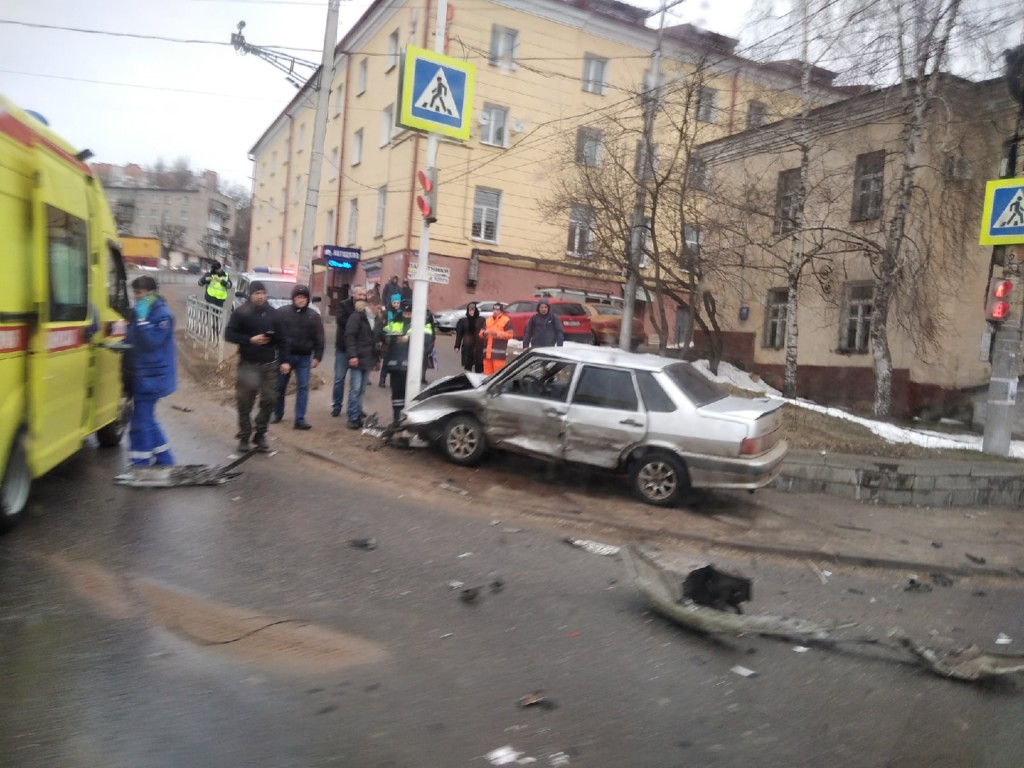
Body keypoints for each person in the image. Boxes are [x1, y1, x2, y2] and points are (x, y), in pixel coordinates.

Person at [225, 281, 289, 453]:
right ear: (251, 295)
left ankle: (260, 433)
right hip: (248, 365)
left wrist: (285, 361)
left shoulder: (273, 314)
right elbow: (229, 334)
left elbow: (283, 339)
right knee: (245, 402)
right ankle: (244, 436)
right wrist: (249, 340)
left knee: (270, 400)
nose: (260, 296)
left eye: (263, 293)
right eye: (257, 293)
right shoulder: (241, 313)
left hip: (269, 365)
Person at [125, 276, 176, 467]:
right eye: (134, 292)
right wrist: (122, 344)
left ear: (151, 293)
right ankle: (165, 458)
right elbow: (133, 338)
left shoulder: (163, 315)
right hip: (142, 373)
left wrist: (143, 320)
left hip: (153, 376)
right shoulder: (142, 311)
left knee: (140, 421)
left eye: (139, 293)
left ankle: (140, 463)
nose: (136, 297)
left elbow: (152, 342)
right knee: (146, 417)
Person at [273, 285, 324, 430]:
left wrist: (317, 357)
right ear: (293, 298)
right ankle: (277, 413)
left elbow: (319, 338)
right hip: (286, 356)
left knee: (303, 387)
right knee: (280, 387)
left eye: (303, 298)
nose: (300, 300)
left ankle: (299, 419)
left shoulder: (314, 316)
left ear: (307, 299)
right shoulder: (282, 313)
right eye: (298, 297)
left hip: (304, 358)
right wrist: (282, 358)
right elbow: (276, 336)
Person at [377, 299, 431, 427]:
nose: (407, 315)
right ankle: (397, 419)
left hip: (412, 366)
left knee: (410, 394)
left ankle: (407, 421)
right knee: (396, 394)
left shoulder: (422, 322)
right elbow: (384, 332)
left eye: (409, 313)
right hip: (396, 364)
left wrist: (409, 338)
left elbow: (428, 338)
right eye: (405, 313)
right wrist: (392, 337)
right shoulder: (396, 320)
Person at [342, 290, 375, 429]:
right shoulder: (357, 317)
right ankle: (353, 417)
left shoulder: (374, 319)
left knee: (361, 389)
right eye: (378, 307)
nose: (380, 310)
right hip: (357, 358)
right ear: (372, 305)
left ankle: (357, 413)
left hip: (367, 359)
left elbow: (374, 340)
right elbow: (349, 336)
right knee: (355, 389)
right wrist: (352, 355)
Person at [331, 287, 362, 417]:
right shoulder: (344, 305)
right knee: (339, 379)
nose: (362, 296)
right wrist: (355, 320)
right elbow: (340, 321)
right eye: (359, 294)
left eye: (364, 294)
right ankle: (337, 405)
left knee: (356, 384)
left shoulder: (365, 308)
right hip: (343, 349)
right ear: (353, 294)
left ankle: (354, 408)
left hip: (358, 350)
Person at [480, 302, 514, 375]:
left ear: (501, 311)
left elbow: (510, 335)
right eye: (494, 309)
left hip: (498, 355)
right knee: (487, 376)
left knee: (497, 376)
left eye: (497, 310)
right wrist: (484, 333)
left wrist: (497, 334)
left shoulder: (506, 320)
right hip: (487, 355)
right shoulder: (488, 320)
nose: (495, 311)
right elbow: (480, 333)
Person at [378, 293, 403, 387]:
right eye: (394, 302)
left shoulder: (402, 313)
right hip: (388, 340)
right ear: (391, 303)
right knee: (386, 361)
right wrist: (384, 338)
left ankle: (395, 381)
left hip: (399, 341)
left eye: (398, 302)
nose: (396, 304)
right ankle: (382, 379)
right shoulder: (387, 313)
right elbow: (382, 327)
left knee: (397, 361)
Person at [454, 302, 485, 373]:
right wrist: (457, 346)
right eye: (470, 310)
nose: (471, 312)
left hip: (479, 345)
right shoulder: (463, 321)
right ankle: (468, 379)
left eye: (473, 310)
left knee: (479, 365)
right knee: (468, 365)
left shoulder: (481, 320)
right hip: (467, 346)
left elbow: (484, 332)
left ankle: (478, 381)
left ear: (476, 310)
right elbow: (459, 334)